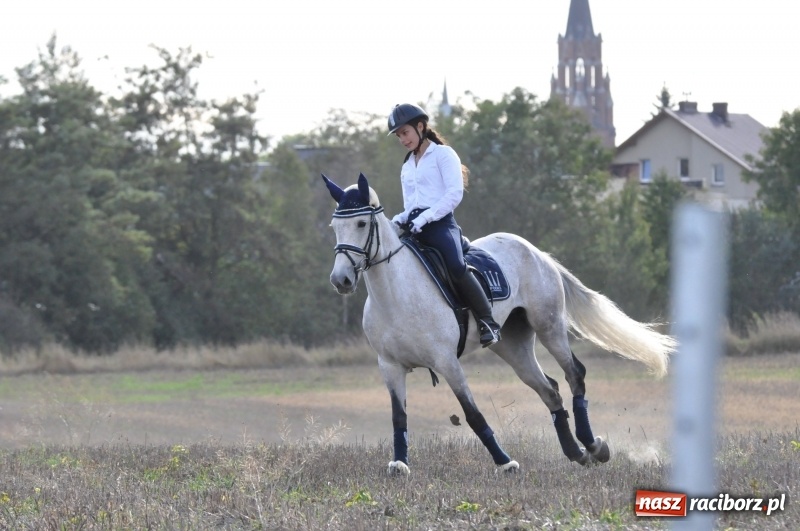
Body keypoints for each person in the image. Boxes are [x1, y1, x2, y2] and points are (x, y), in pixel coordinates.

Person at [388, 103, 501, 347]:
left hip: (440, 224)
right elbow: (410, 204)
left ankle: (488, 323)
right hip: (414, 225)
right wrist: (401, 217)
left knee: (456, 266)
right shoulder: (407, 165)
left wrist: (426, 217)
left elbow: (453, 195)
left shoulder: (443, 154)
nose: (402, 139)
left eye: (405, 133)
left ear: (420, 127)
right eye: (398, 136)